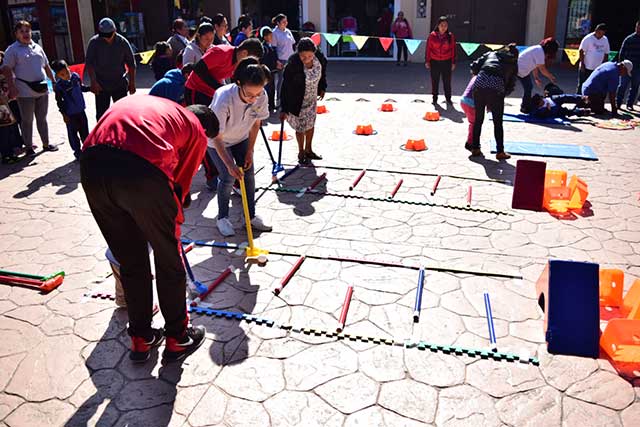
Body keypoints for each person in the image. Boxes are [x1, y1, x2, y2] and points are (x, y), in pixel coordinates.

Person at [80, 95, 219, 363]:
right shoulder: (195, 130)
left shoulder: (158, 109)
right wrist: (172, 221)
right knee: (168, 260)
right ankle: (178, 338)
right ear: (205, 129)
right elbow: (181, 184)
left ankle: (141, 337)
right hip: (141, 171)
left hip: (92, 168)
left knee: (132, 261)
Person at [208, 57, 272, 237]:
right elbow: (216, 135)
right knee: (228, 176)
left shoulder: (261, 95)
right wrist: (229, 164)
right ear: (238, 84)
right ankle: (222, 218)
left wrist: (250, 150)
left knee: (248, 174)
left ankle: (250, 216)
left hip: (241, 137)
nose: (254, 99)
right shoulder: (224, 97)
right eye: (249, 95)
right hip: (217, 141)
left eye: (257, 94)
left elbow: (256, 123)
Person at [1, 20, 57, 155]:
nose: (26, 34)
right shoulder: (12, 50)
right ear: (16, 34)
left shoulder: (37, 47)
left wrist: (54, 82)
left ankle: (46, 143)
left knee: (42, 119)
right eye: (22, 31)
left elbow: (46, 66)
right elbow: (6, 69)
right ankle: (28, 147)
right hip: (24, 92)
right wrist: (12, 87)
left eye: (28, 31)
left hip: (42, 89)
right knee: (27, 121)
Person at [281, 38, 327, 165]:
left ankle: (309, 150)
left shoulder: (319, 59)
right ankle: (301, 152)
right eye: (303, 56)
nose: (307, 58)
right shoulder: (292, 65)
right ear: (298, 54)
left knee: (311, 124)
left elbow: (323, 74)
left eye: (310, 56)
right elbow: (285, 87)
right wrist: (284, 109)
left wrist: (323, 87)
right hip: (297, 100)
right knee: (300, 127)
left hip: (311, 99)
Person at [469, 44, 519, 160]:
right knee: (497, 122)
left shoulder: (490, 53)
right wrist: (499, 97)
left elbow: (474, 66)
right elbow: (511, 84)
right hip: (496, 87)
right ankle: (500, 152)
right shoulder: (513, 62)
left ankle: (475, 148)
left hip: (480, 84)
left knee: (478, 120)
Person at [185, 38, 263, 106]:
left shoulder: (238, 62)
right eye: (250, 60)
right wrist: (220, 88)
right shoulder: (221, 52)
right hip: (195, 90)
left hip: (211, 93)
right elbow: (199, 68)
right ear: (244, 53)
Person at [85, 18, 136, 121]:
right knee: (102, 116)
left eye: (109, 35)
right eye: (105, 36)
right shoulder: (94, 43)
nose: (107, 38)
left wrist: (132, 83)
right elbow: (89, 64)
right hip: (101, 85)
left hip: (119, 84)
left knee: (122, 114)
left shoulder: (122, 42)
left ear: (115, 31)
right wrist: (93, 81)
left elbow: (131, 64)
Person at [51, 60, 90, 160]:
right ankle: (77, 152)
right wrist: (64, 114)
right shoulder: (59, 86)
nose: (66, 75)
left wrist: (90, 88)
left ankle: (87, 149)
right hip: (70, 114)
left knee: (85, 131)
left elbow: (81, 88)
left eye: (67, 72)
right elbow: (59, 102)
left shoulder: (75, 77)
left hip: (81, 110)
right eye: (62, 75)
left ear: (69, 68)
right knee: (73, 134)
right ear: (58, 75)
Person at [517, 38, 559, 113]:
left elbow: (535, 66)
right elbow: (542, 69)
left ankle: (524, 107)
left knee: (528, 87)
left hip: (522, 71)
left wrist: (536, 77)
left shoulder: (538, 49)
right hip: (519, 70)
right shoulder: (540, 52)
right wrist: (551, 77)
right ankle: (524, 106)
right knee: (527, 87)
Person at [0, 50, 24, 164]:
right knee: (4, 130)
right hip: (2, 105)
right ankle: (6, 155)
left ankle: (14, 149)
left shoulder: (6, 68)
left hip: (9, 101)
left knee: (11, 126)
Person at [426, 16, 456, 105]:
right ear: (438, 26)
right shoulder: (432, 35)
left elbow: (453, 49)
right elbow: (428, 49)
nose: (443, 27)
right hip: (434, 61)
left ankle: (448, 99)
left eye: (445, 25)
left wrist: (453, 62)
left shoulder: (450, 36)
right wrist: (427, 61)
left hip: (446, 61)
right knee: (435, 81)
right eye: (442, 25)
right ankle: (434, 99)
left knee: (447, 81)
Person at [577, 23, 609, 93]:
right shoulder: (588, 38)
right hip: (586, 67)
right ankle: (579, 101)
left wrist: (604, 66)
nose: (601, 36)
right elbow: (581, 51)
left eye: (603, 34)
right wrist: (582, 64)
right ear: (596, 31)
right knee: (582, 85)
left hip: (597, 69)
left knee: (594, 86)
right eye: (600, 33)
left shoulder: (605, 39)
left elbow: (606, 53)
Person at [271, 14, 295, 107]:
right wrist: (277, 61)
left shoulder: (288, 31)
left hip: (290, 59)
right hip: (281, 60)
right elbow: (273, 48)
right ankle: (279, 100)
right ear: (278, 23)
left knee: (291, 79)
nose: (286, 23)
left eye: (286, 21)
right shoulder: (275, 33)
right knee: (281, 80)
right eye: (283, 22)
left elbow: (293, 44)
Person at [617, 20, 640, 111]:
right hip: (626, 67)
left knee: (635, 86)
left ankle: (630, 104)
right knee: (622, 85)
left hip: (638, 68)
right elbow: (621, 52)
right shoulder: (629, 39)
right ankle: (618, 103)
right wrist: (621, 65)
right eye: (637, 27)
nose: (638, 29)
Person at [260, 27, 278, 112]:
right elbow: (265, 59)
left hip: (273, 70)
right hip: (266, 71)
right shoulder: (263, 47)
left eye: (271, 35)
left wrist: (277, 63)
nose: (271, 37)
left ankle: (272, 105)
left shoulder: (271, 46)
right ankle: (266, 106)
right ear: (265, 37)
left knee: (272, 89)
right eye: (269, 36)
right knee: (267, 89)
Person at [460, 75, 477, 149]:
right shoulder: (486, 79)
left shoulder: (476, 76)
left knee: (473, 123)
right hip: (470, 104)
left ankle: (471, 142)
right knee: (474, 124)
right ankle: (470, 143)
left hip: (464, 101)